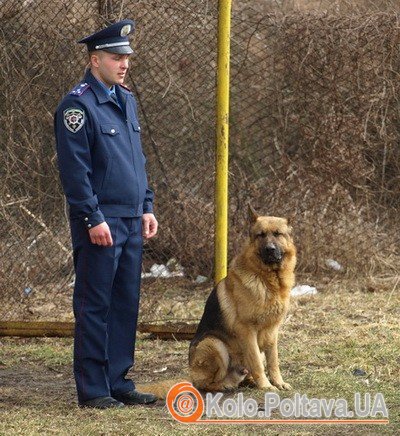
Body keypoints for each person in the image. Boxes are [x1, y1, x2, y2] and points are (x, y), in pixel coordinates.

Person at [54, 19, 158, 409]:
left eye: (127, 57)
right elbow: (75, 172)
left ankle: (118, 380)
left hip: (131, 219)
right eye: (116, 57)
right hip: (101, 221)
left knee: (124, 302)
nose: (124, 64)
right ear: (95, 59)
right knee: (95, 304)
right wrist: (91, 217)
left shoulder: (124, 99)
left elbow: (136, 160)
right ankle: (94, 388)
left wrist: (146, 205)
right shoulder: (77, 106)